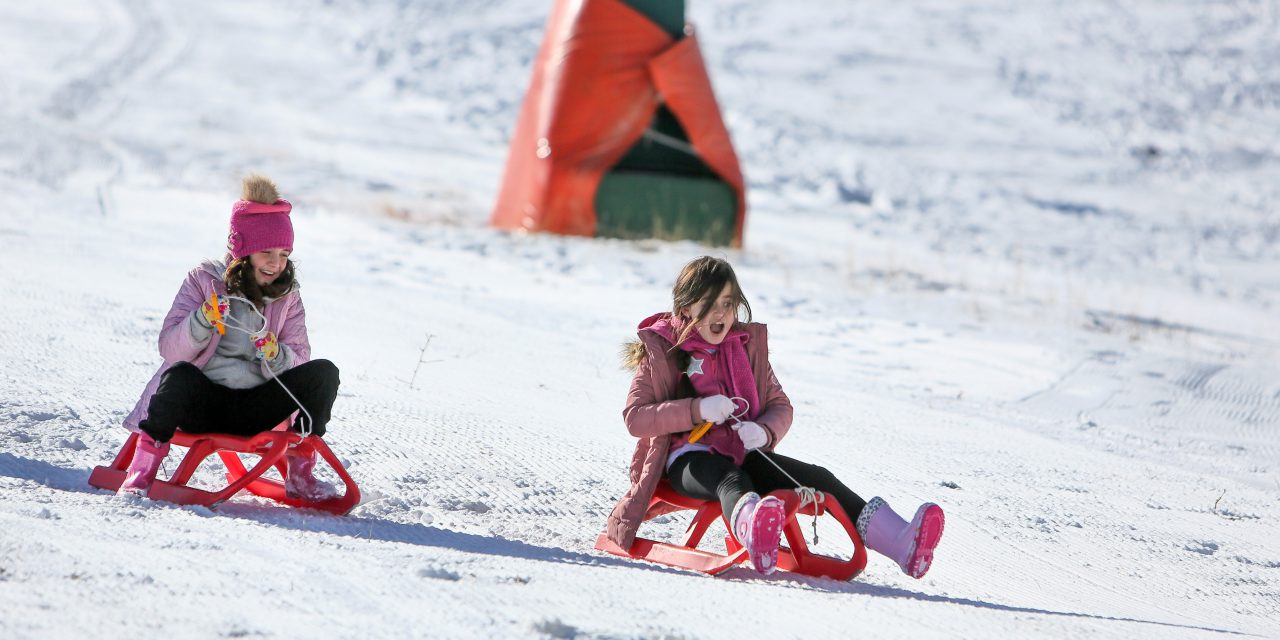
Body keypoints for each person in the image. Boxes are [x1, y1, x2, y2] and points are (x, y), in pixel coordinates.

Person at [608, 256, 944, 576]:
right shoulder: (663, 351)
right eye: (709, 303)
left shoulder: (743, 348)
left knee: (819, 478)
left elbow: (780, 405)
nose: (721, 313)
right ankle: (755, 533)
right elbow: (635, 418)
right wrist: (696, 410)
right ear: (685, 307)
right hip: (685, 460)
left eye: (728, 302)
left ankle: (903, 544)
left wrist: (764, 431)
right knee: (732, 480)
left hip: (740, 451)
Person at [116, 174, 341, 501]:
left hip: (256, 408)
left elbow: (300, 358)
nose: (276, 264)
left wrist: (277, 354)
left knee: (323, 373)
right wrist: (202, 319)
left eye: (283, 254)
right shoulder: (203, 280)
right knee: (178, 374)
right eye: (267, 252)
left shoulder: (288, 297)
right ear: (243, 250)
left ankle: (301, 474)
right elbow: (169, 347)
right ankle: (141, 474)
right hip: (203, 405)